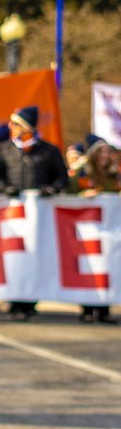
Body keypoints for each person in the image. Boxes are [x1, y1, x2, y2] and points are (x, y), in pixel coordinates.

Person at [0, 105, 69, 321]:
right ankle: (15, 299)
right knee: (15, 256)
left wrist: (52, 189)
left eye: (15, 123)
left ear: (26, 126)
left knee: (35, 254)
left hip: (39, 214)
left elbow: (61, 177)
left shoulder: (48, 150)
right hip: (13, 213)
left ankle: (29, 302)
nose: (11, 127)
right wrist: (5, 188)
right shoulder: (6, 149)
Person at [68, 135, 118, 323]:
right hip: (87, 227)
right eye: (102, 151)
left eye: (108, 151)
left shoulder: (113, 173)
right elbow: (68, 194)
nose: (106, 155)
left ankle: (104, 308)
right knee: (89, 266)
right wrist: (83, 196)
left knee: (107, 267)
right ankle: (88, 308)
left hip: (108, 229)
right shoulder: (82, 172)